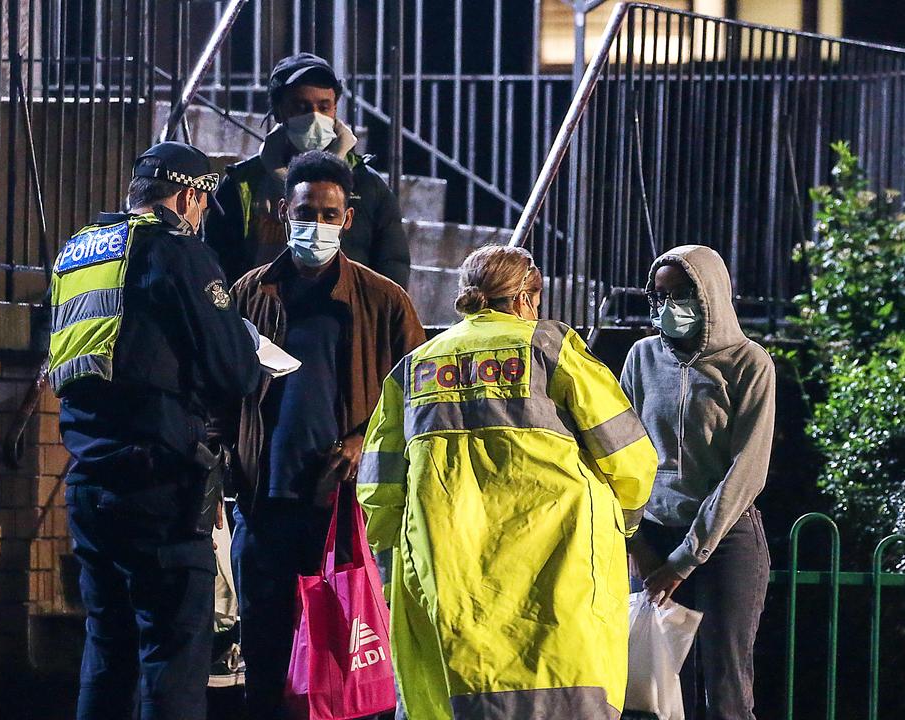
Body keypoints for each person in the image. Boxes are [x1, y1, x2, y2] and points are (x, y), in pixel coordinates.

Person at [357, 245, 659, 719]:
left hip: (448, 582)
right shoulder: (550, 350)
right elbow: (631, 457)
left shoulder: (415, 368)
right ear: (523, 298)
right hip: (562, 576)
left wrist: (394, 555)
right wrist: (625, 519)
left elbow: (377, 488)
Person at [48, 141, 262, 720]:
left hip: (90, 477)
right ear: (191, 195)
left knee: (106, 651)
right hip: (160, 483)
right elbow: (235, 368)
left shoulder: (82, 253)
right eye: (200, 207)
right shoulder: (175, 252)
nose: (199, 220)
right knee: (172, 655)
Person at [212, 149, 425, 717]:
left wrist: (365, 440)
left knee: (348, 652)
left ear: (348, 219)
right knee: (266, 648)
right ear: (285, 211)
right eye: (307, 212)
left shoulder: (383, 301)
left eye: (331, 215)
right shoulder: (252, 293)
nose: (319, 225)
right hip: (265, 501)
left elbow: (421, 401)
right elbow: (220, 387)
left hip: (346, 510)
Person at [620, 245, 776, 720]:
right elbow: (619, 451)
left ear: (710, 293)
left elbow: (747, 469)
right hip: (653, 538)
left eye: (683, 293)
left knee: (726, 688)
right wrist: (639, 544)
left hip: (725, 542)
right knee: (657, 689)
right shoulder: (642, 357)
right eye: (661, 295)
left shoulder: (749, 363)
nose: (670, 307)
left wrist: (686, 559)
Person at [205, 52, 412, 287]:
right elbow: (216, 264)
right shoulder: (243, 183)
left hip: (344, 317)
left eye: (324, 107)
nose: (315, 117)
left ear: (335, 110)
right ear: (280, 111)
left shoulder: (366, 185)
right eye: (302, 107)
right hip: (264, 317)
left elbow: (392, 266)